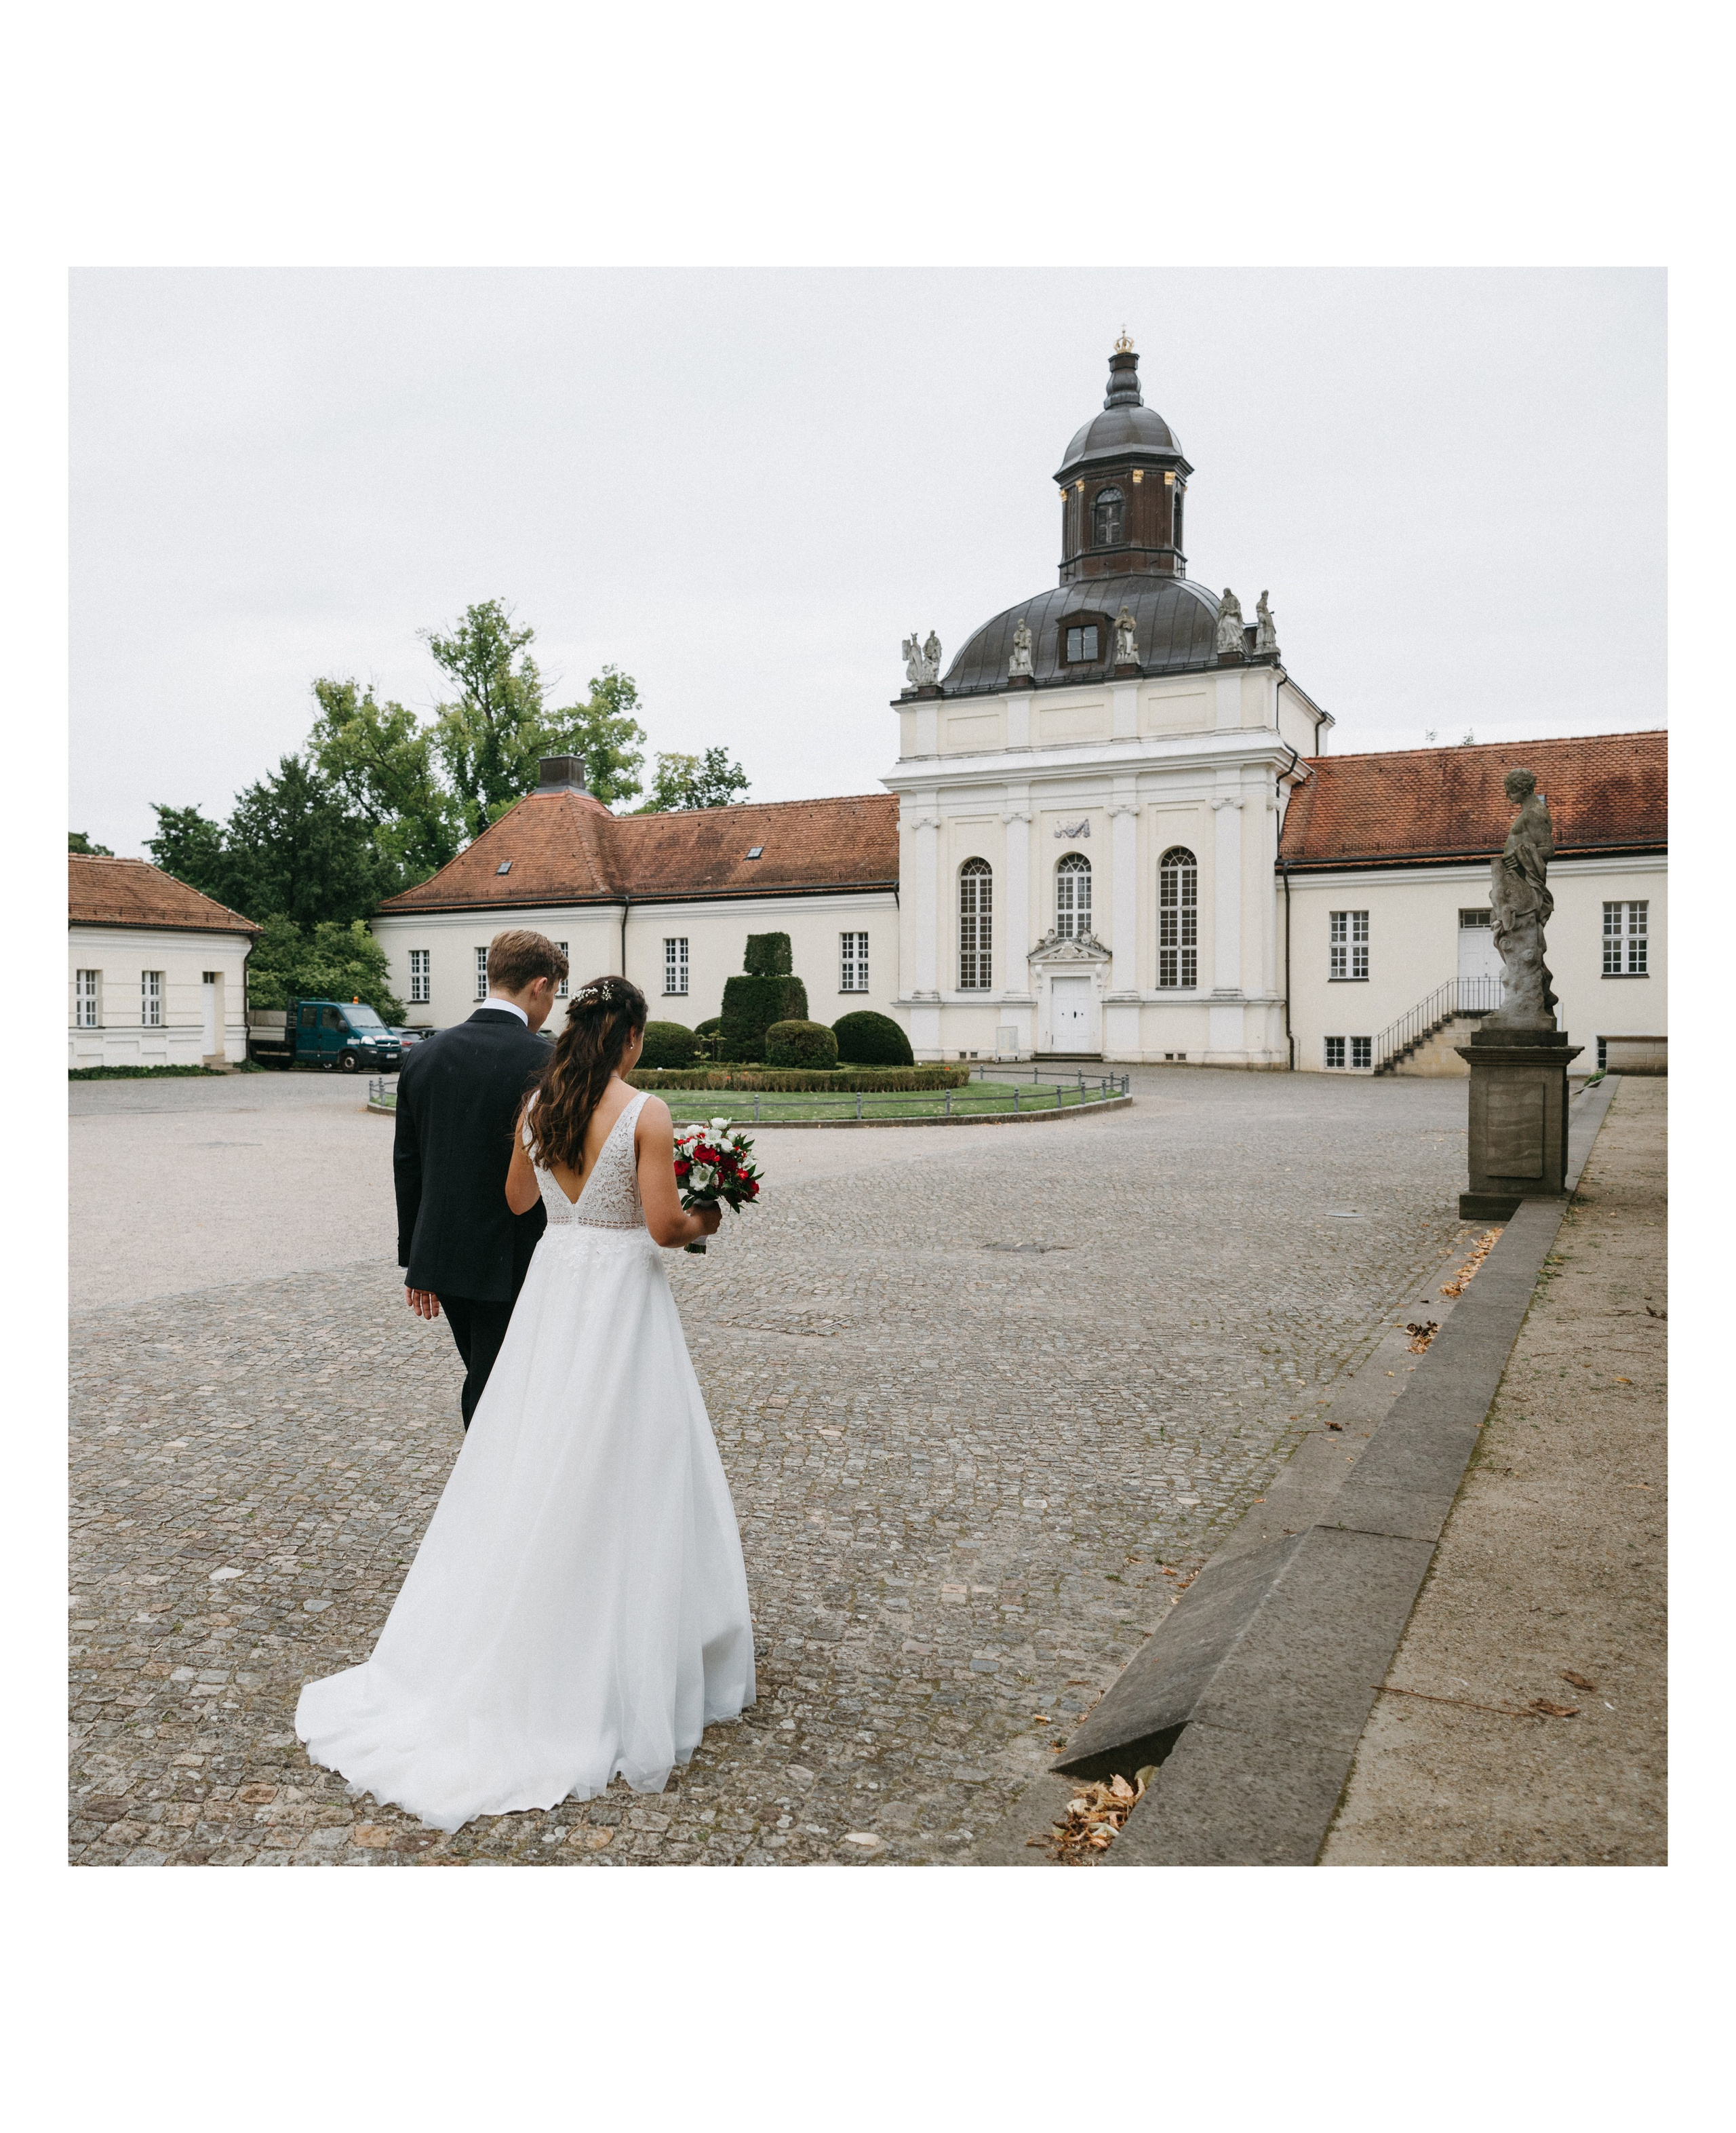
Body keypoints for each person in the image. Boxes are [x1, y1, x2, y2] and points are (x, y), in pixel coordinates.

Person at [296, 975, 755, 1832]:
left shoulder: (539, 1102)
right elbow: (662, 1226)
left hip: (555, 1284)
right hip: (620, 1295)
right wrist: (709, 1213)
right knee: (632, 1456)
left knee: (536, 1446)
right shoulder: (646, 1112)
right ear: (628, 1038)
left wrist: (561, 1195)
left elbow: (516, 1200)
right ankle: (621, 1644)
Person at [393, 928, 568, 1429]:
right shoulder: (547, 1063)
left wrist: (417, 1257)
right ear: (539, 985)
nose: (551, 1006)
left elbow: (409, 1163)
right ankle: (486, 1491)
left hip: (445, 1257)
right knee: (498, 1382)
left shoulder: (424, 1055)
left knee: (489, 1372)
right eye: (553, 993)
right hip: (517, 1253)